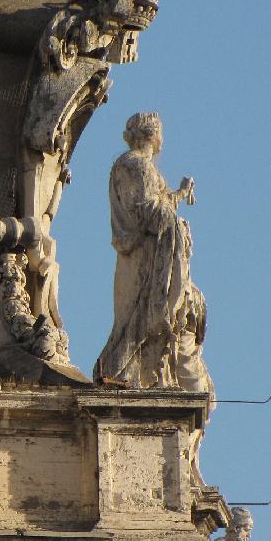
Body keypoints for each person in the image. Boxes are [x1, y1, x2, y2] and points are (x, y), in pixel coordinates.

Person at [94, 112, 208, 389]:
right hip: (145, 255)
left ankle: (126, 374)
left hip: (146, 251)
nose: (163, 139)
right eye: (160, 132)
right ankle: (119, 373)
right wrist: (176, 220)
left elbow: (154, 205)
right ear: (152, 134)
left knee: (137, 318)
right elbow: (146, 213)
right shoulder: (136, 165)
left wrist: (179, 194)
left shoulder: (134, 165)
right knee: (138, 317)